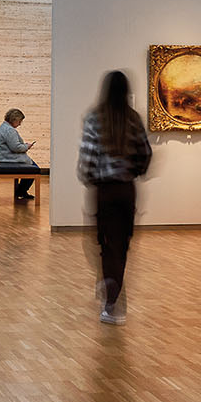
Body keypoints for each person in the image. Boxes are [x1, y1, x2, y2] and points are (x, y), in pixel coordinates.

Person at [77, 70, 152, 325]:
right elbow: (146, 153)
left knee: (105, 244)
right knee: (121, 245)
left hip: (104, 190)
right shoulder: (133, 118)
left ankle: (111, 298)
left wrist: (88, 177)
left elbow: (87, 156)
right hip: (126, 190)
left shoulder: (95, 118)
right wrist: (135, 171)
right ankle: (112, 291)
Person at [0, 107, 41, 201]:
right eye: (19, 121)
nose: (19, 124)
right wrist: (27, 146)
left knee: (31, 166)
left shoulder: (3, 127)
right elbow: (16, 147)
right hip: (9, 159)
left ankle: (21, 190)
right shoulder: (10, 130)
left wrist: (24, 146)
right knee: (35, 169)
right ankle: (21, 190)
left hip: (4, 157)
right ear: (14, 119)